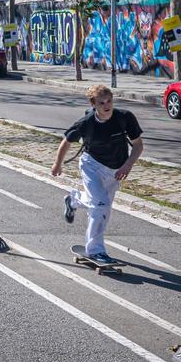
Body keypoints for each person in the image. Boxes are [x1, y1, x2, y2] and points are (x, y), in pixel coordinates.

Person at [51, 84, 144, 264]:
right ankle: (95, 250)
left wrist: (127, 166)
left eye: (109, 101)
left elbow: (138, 145)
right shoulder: (86, 123)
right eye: (101, 103)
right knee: (100, 205)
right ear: (93, 104)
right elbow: (66, 142)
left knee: (102, 207)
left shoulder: (124, 117)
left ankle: (73, 200)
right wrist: (57, 164)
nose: (107, 105)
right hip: (91, 165)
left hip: (116, 170)